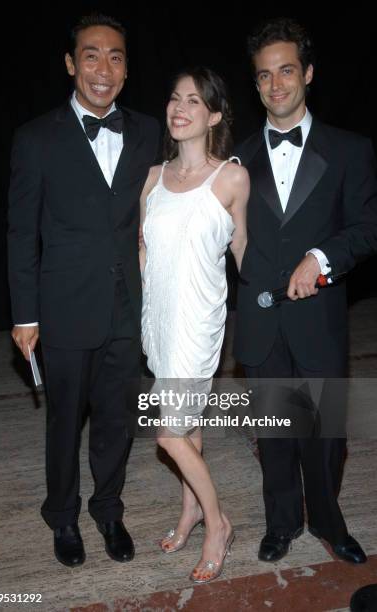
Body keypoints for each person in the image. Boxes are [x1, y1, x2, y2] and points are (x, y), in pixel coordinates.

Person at [7, 13, 159, 567]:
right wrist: (25, 314)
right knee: (64, 420)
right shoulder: (36, 138)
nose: (103, 68)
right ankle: (63, 516)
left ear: (126, 69)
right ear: (72, 65)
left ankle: (108, 508)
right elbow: (22, 233)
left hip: (128, 308)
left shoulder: (147, 131)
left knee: (117, 420)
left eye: (115, 57)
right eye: (91, 55)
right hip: (64, 307)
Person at [234, 17, 377, 564]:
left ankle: (328, 521)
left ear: (309, 73)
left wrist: (320, 258)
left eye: (286, 71)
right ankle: (282, 522)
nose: (275, 85)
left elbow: (366, 229)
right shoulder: (239, 157)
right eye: (264, 76)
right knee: (274, 434)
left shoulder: (350, 149)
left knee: (326, 434)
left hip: (319, 316)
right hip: (262, 319)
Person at [139, 66, 250, 583]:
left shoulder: (230, 176)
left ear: (214, 115)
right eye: (174, 98)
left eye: (193, 101)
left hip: (199, 323)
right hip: (159, 321)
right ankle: (187, 512)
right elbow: (143, 246)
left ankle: (217, 523)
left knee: (169, 435)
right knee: (190, 429)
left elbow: (242, 250)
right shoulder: (153, 178)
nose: (179, 108)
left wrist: (259, 318)